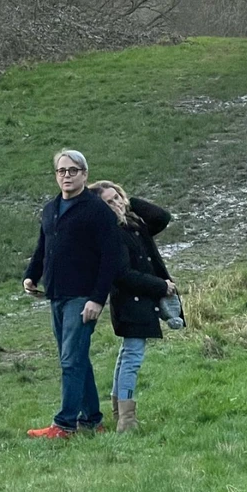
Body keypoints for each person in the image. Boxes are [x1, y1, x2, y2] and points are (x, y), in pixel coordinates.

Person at [23, 149, 122, 438]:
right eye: (61, 171)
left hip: (83, 297)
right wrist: (31, 275)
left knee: (70, 360)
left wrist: (97, 299)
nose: (67, 176)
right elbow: (43, 247)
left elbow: (110, 258)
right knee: (77, 358)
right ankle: (92, 420)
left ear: (84, 174)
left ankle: (64, 425)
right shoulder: (50, 209)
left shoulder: (96, 210)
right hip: (56, 294)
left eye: (73, 171)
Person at [88, 180, 180, 432]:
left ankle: (120, 414)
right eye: (109, 202)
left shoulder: (133, 224)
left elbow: (162, 217)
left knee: (127, 354)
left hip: (139, 302)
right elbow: (123, 274)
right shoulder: (111, 233)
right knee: (132, 358)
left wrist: (130, 201)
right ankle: (126, 420)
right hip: (130, 303)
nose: (116, 203)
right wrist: (161, 286)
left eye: (117, 197)